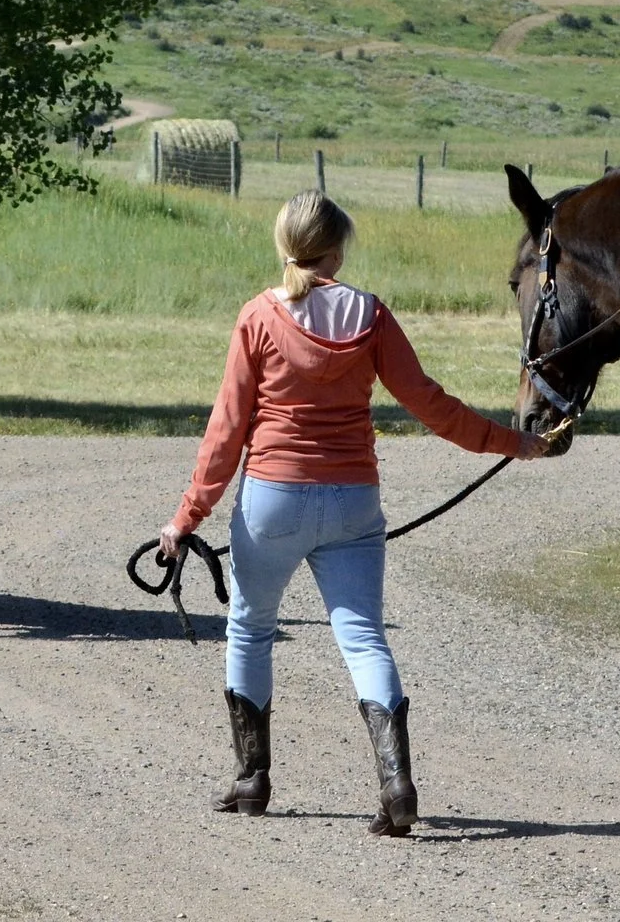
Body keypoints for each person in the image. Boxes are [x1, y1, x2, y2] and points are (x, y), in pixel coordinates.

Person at [156, 192, 555, 836]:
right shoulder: (370, 314)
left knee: (251, 629)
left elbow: (226, 431)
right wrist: (514, 441)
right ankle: (397, 785)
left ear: (284, 244)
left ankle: (252, 779)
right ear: (337, 251)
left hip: (273, 500)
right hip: (352, 500)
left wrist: (185, 521)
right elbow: (431, 404)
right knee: (363, 636)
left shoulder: (258, 316)